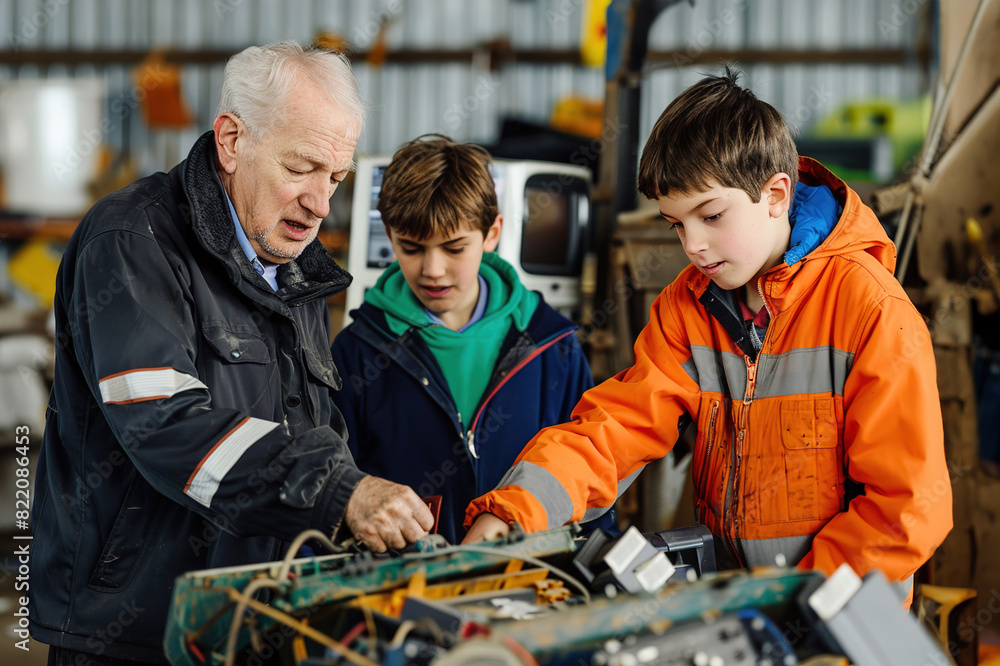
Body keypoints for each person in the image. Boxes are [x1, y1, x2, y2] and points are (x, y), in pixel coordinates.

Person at [464, 69, 952, 605]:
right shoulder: (687, 306)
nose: (693, 245)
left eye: (711, 215)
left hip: (841, 627)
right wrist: (512, 512)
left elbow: (905, 507)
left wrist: (798, 610)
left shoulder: (870, 310)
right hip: (737, 611)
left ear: (776, 194)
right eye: (676, 224)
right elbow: (615, 430)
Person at [31, 41, 433, 664]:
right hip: (134, 633)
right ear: (231, 140)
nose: (321, 203)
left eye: (336, 178)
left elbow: (313, 430)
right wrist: (336, 491)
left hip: (253, 619)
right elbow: (164, 423)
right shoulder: (131, 240)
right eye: (301, 167)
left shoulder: (293, 270)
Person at [330, 135, 614, 543]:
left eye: (454, 248)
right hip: (403, 590)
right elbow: (338, 490)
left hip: (533, 581)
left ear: (492, 233)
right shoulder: (356, 352)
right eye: (411, 248)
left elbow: (590, 471)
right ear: (390, 235)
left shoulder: (552, 347)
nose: (433, 270)